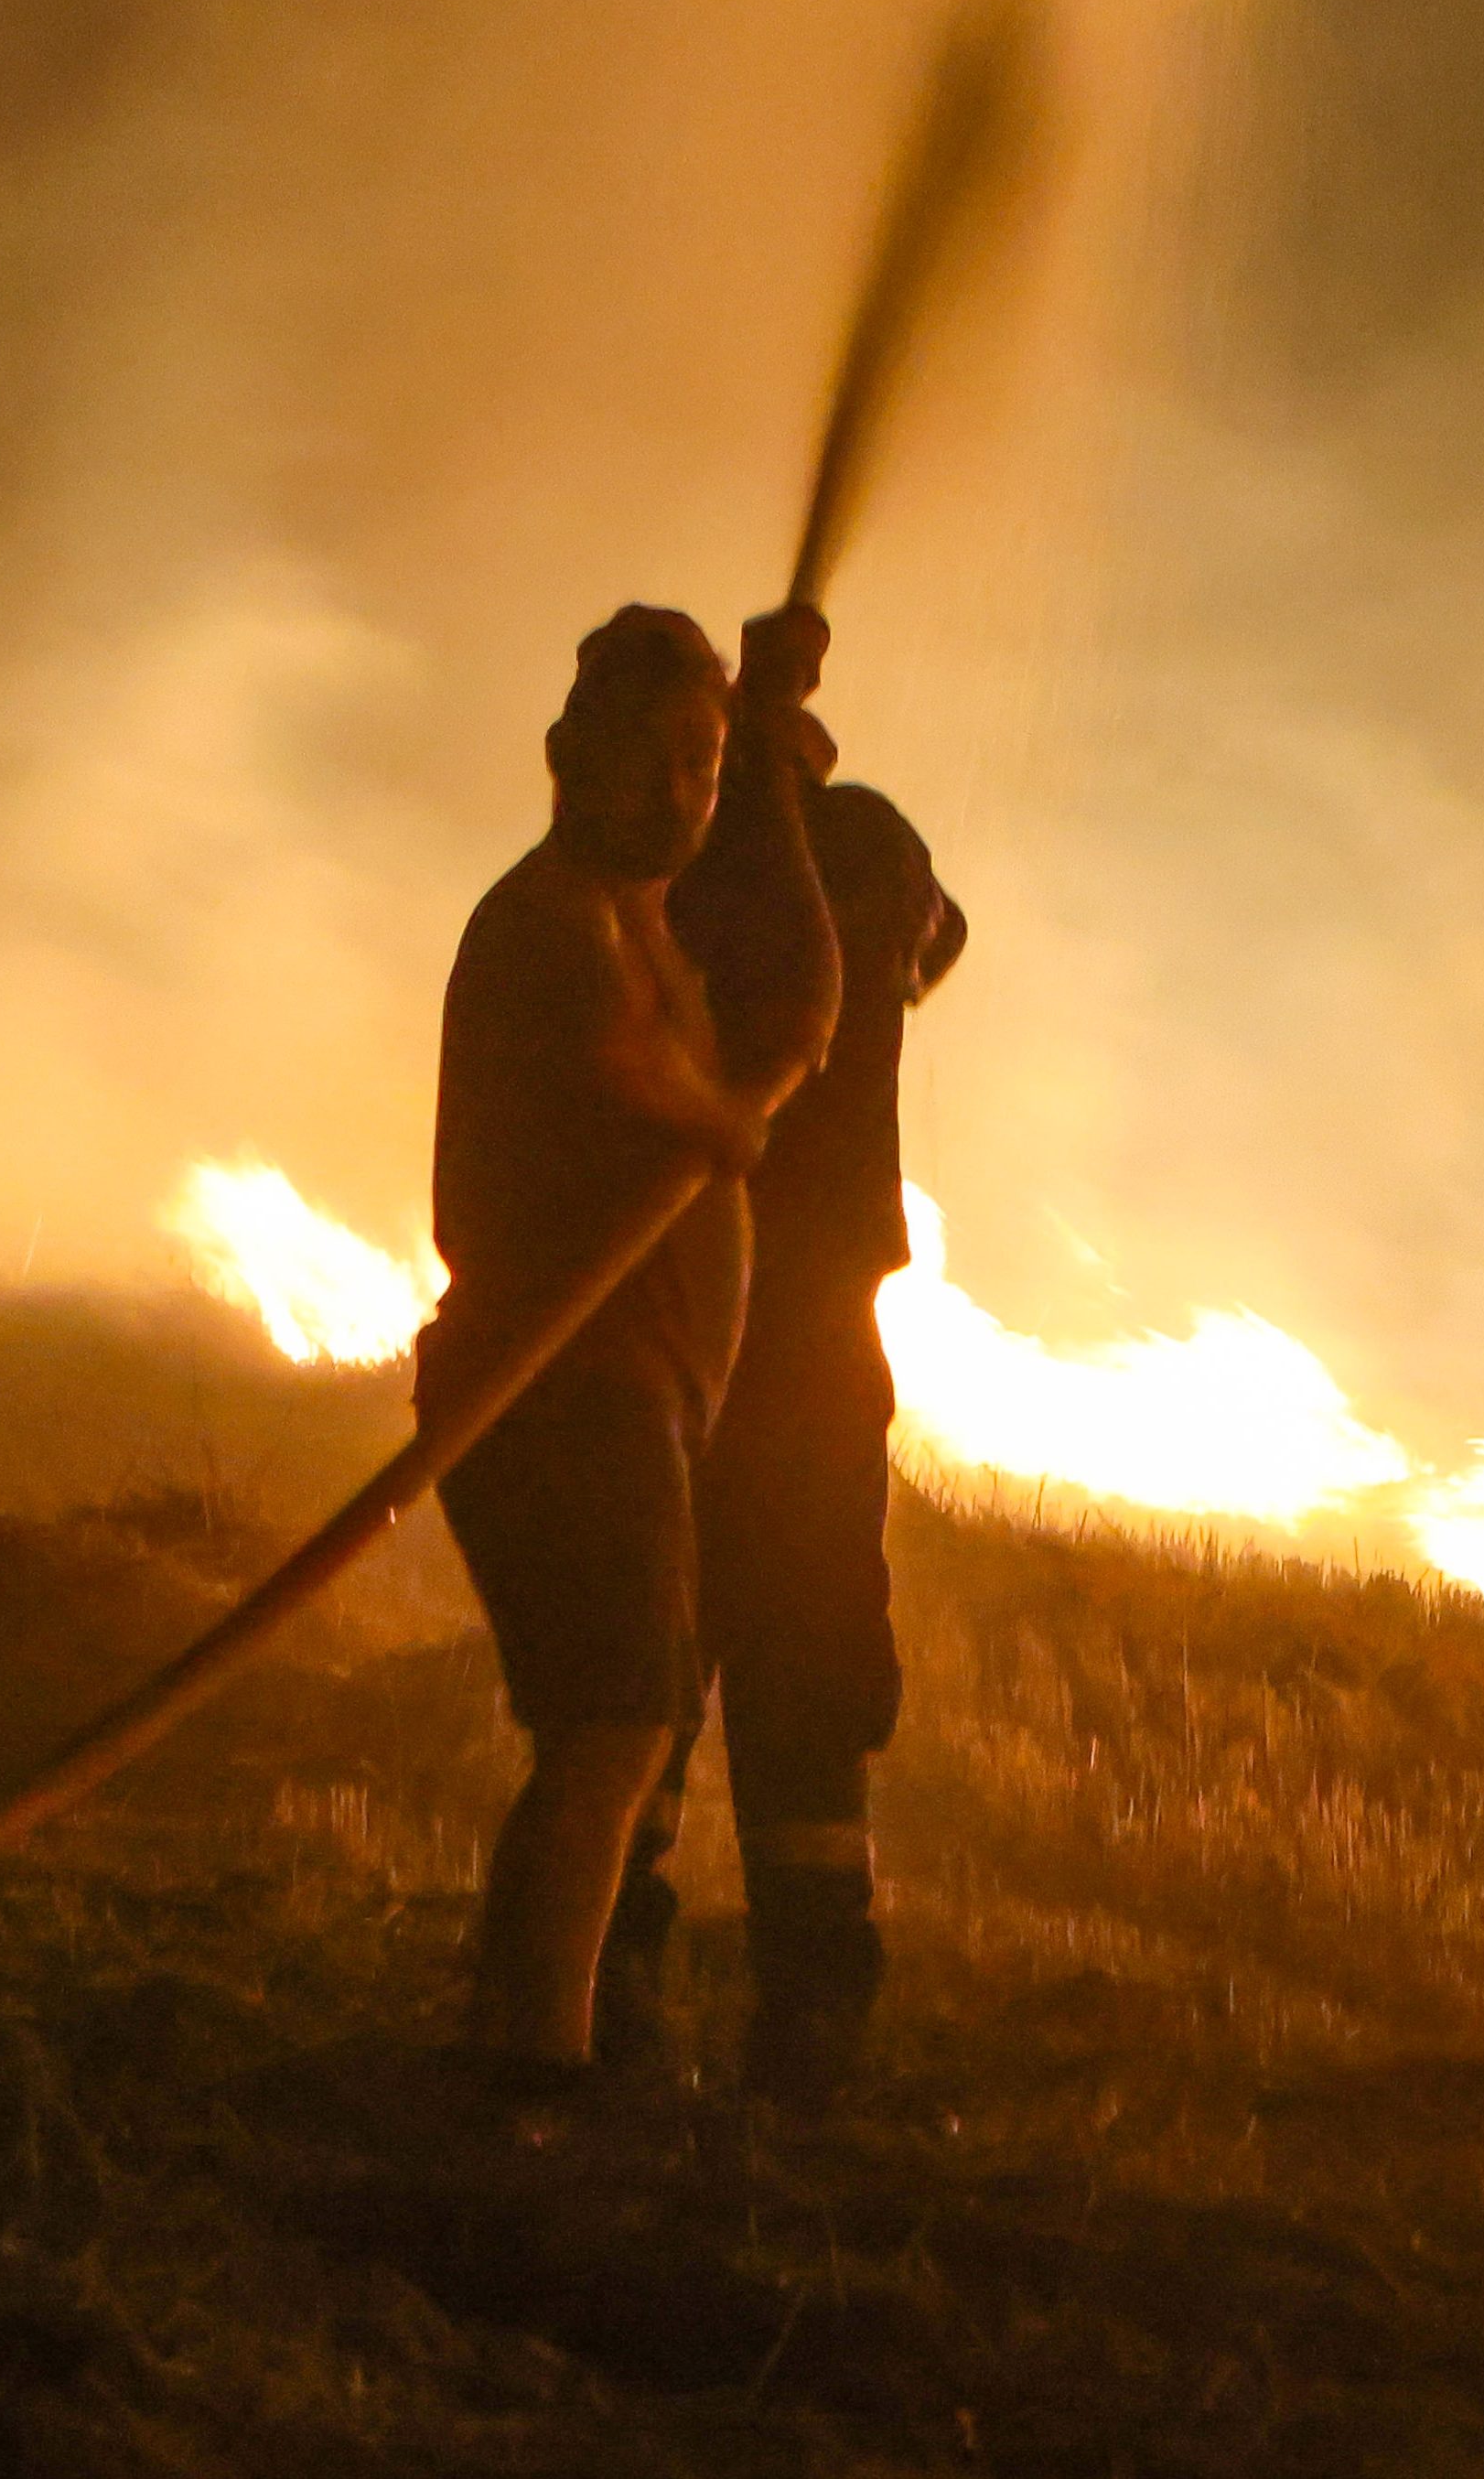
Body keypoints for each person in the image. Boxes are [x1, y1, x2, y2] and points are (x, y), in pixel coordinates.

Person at [414, 601, 835, 2096]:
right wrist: (730, 1111)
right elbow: (635, 1073)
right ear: (560, 757)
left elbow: (781, 955)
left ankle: (519, 2050)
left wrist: (773, 746)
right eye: (649, 761)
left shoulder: (642, 912)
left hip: (624, 1395)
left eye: (703, 766)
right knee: (613, 1732)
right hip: (555, 1389)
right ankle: (530, 2068)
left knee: (612, 1732)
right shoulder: (548, 921)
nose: (679, 794)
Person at [597, 778, 964, 2105]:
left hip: (731, 1315)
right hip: (730, 1315)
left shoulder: (695, 860)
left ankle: (671, 1990)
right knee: (688, 1655)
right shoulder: (818, 850)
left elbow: (928, 934)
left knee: (695, 1654)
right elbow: (934, 937)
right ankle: (759, 2005)